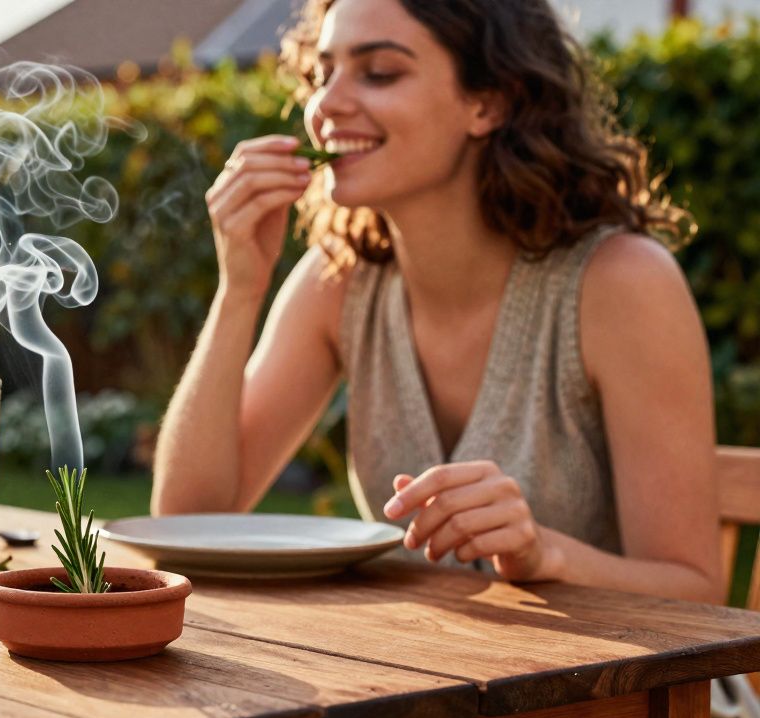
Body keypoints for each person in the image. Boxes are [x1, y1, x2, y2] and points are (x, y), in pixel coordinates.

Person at [150, 0, 723, 608]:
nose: (325, 107)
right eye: (323, 75)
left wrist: (545, 556)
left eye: (379, 73)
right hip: (430, 683)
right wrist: (240, 289)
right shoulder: (343, 281)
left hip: (631, 697)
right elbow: (189, 521)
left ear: (488, 102)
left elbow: (697, 591)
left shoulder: (620, 284)